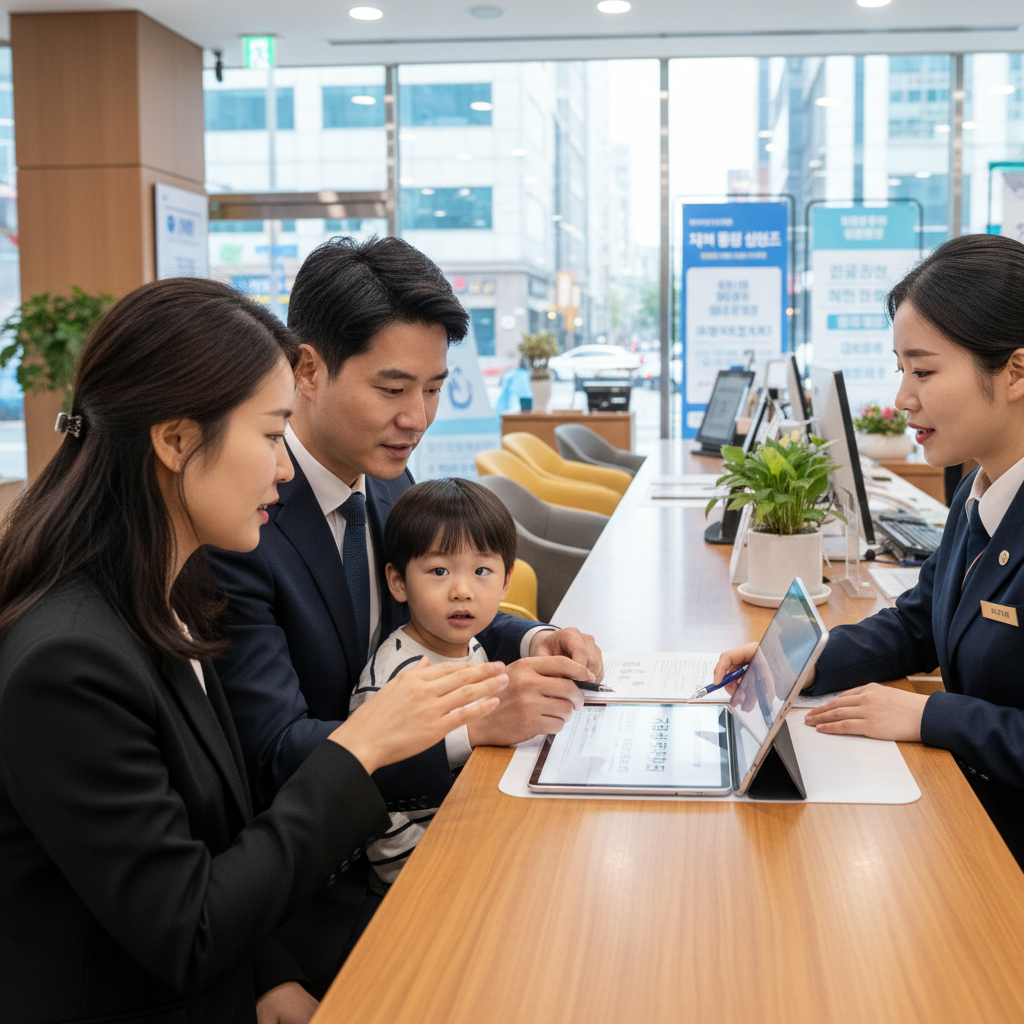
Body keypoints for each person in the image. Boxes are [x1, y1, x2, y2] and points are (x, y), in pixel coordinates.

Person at [0, 278, 509, 1024]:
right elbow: (188, 930)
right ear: (176, 441)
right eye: (272, 435)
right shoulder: (69, 662)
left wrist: (270, 972)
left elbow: (205, 838)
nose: (284, 468)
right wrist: (359, 747)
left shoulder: (165, 596)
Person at [206, 236, 603, 984]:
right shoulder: (241, 520)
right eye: (392, 389)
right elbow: (275, 754)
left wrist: (534, 640)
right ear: (306, 369)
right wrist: (469, 726)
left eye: (433, 388)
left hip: (416, 831)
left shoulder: (386, 478)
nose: (417, 417)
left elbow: (428, 604)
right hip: (320, 890)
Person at [712, 233, 1024, 868]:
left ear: (1016, 371)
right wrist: (805, 661)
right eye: (900, 369)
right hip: (969, 826)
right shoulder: (978, 492)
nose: (903, 398)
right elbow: (921, 623)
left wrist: (931, 716)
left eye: (923, 371)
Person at [350, 477, 518, 889]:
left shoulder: (470, 646)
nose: (462, 591)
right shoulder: (396, 677)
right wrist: (428, 876)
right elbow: (374, 802)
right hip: (430, 873)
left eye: (481, 571)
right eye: (439, 571)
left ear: (506, 581)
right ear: (398, 582)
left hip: (478, 833)